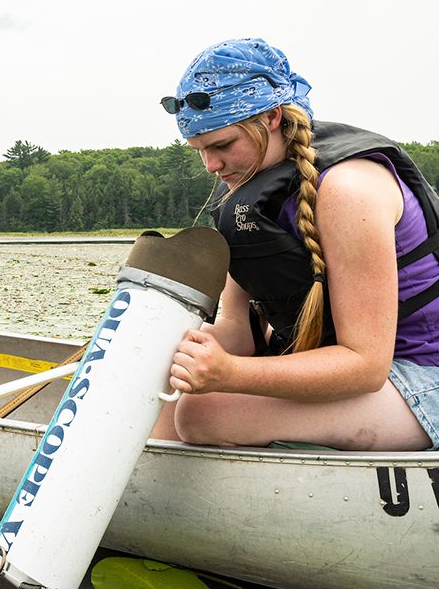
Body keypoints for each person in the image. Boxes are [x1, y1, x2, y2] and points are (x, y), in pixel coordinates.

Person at [154, 37, 439, 451]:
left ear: (271, 117)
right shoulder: (247, 194)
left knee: (204, 411)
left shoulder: (348, 191)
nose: (211, 166)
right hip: (342, 370)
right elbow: (237, 330)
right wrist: (153, 344)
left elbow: (364, 365)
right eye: (199, 150)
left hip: (420, 374)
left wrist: (229, 373)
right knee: (160, 383)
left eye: (221, 145)